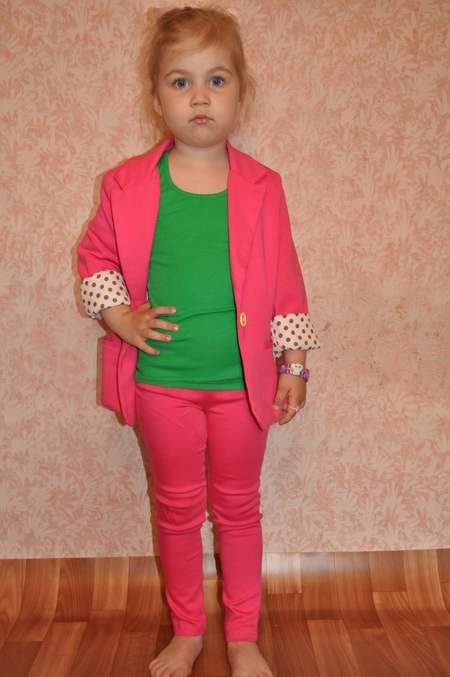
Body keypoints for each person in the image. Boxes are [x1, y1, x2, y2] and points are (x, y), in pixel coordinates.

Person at [77, 6, 319, 677]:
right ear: (157, 99)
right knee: (178, 511)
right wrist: (120, 318)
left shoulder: (265, 187)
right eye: (180, 82)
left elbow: (288, 282)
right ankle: (187, 630)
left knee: (238, 510)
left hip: (244, 388)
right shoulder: (126, 184)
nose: (200, 97)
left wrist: (295, 365)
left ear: (241, 92)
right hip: (162, 383)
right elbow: (94, 260)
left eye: (217, 79)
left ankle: (242, 635)